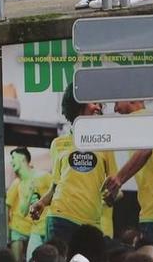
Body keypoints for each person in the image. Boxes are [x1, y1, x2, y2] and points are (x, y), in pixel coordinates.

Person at [35, 91, 117, 246]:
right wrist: (41, 203)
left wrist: (111, 195)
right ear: (77, 107)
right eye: (94, 103)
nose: (98, 108)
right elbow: (55, 187)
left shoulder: (106, 144)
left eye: (100, 105)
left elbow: (115, 184)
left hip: (91, 224)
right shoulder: (58, 144)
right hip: (60, 218)